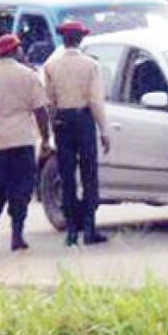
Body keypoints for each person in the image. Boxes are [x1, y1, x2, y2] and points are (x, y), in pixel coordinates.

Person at [0, 34, 51, 252]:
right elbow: (40, 111)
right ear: (17, 51)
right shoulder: (29, 76)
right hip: (23, 139)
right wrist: (45, 138)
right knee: (22, 189)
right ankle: (17, 235)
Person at [43, 21, 110, 247]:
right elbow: (95, 101)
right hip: (84, 120)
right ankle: (89, 227)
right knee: (89, 175)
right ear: (80, 40)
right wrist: (104, 130)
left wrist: (53, 125)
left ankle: (72, 229)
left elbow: (49, 101)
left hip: (63, 121)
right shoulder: (91, 65)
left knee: (67, 176)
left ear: (64, 39)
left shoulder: (51, 66)